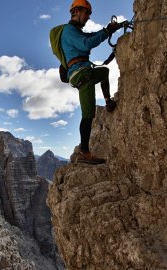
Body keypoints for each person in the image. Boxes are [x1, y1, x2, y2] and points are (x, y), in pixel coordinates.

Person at [61, 0, 119, 164]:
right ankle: (84, 154)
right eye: (86, 13)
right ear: (76, 11)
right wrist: (107, 31)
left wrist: (112, 29)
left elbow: (91, 36)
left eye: (89, 14)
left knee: (104, 71)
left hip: (83, 71)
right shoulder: (69, 30)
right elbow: (87, 43)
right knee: (88, 114)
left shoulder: (76, 31)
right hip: (81, 74)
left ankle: (108, 101)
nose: (87, 17)